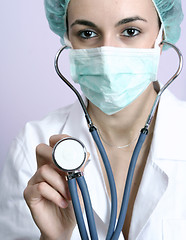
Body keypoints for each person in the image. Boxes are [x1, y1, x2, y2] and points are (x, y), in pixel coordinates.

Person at [0, 0, 185, 239]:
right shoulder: (33, 145)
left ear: (162, 36)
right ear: (68, 40)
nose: (107, 52)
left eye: (130, 31)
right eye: (87, 33)